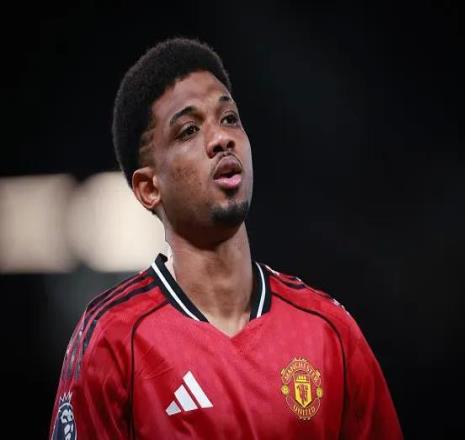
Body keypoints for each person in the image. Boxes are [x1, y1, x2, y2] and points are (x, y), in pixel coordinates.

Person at [50, 37, 403, 439]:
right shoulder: (112, 340)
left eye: (230, 118)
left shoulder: (328, 331)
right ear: (149, 188)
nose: (221, 138)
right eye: (188, 130)